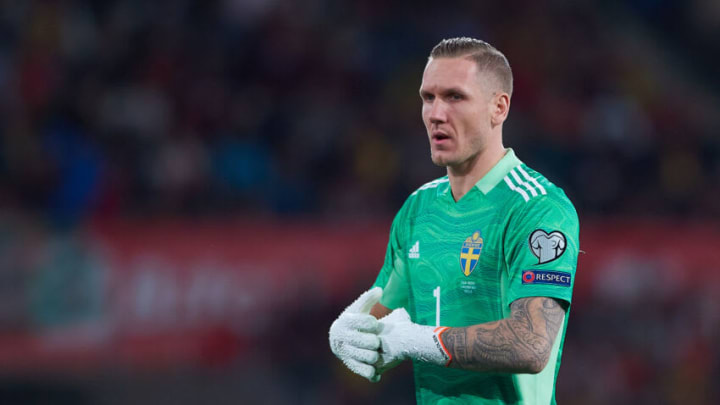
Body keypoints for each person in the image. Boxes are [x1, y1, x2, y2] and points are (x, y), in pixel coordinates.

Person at [329, 37, 579, 404]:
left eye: (455, 97)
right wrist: (347, 334)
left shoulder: (537, 208)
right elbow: (383, 319)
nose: (436, 114)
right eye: (428, 98)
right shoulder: (417, 210)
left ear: (499, 108)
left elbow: (530, 344)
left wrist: (414, 339)